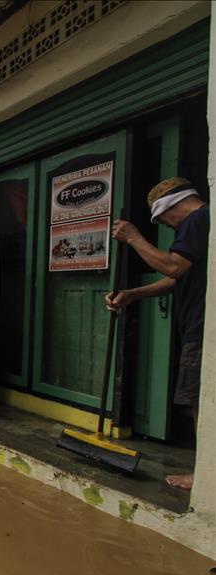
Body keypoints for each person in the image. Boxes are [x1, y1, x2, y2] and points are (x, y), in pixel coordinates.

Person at [105, 177, 209, 490]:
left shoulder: (196, 220)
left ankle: (206, 475)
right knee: (199, 399)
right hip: (197, 324)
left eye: (160, 218)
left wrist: (134, 237)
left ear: (173, 206)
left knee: (199, 402)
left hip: (202, 328)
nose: (163, 225)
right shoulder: (203, 224)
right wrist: (134, 293)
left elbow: (174, 267)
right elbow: (181, 277)